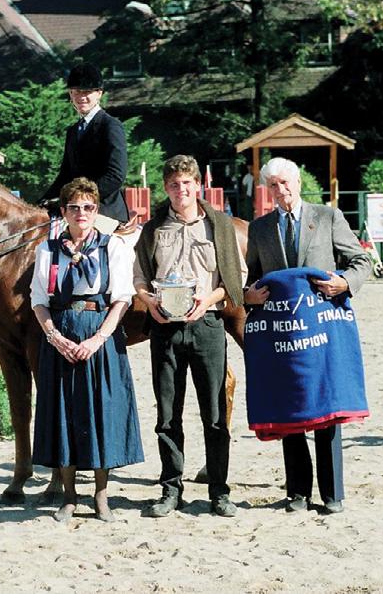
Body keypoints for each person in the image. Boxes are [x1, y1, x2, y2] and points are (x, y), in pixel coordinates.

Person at [244, 157, 371, 514]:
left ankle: (332, 494)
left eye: (285, 182)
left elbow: (361, 261)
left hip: (324, 330)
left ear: (298, 183)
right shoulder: (260, 228)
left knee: (327, 408)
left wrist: (345, 283)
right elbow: (251, 278)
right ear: (267, 190)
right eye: (273, 185)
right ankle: (298, 492)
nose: (280, 190)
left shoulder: (328, 217)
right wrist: (247, 296)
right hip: (282, 335)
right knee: (290, 408)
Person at [133, 155, 245, 518]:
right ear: (166, 188)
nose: (180, 190)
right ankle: (171, 489)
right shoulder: (153, 229)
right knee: (168, 415)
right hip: (165, 328)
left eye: (186, 183)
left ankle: (219, 491)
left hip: (207, 325)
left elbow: (236, 278)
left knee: (215, 414)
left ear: (198, 185)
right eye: (173, 184)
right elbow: (139, 276)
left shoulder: (220, 226)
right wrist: (148, 301)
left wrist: (208, 300)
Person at [30, 177, 144, 523]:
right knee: (64, 414)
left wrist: (97, 340)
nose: (82, 213)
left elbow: (122, 299)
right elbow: (38, 300)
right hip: (61, 335)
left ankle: (101, 496)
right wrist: (54, 337)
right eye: (74, 207)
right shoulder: (47, 250)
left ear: (96, 212)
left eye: (88, 207)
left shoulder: (112, 247)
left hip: (100, 335)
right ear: (64, 212)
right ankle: (69, 497)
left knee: (101, 413)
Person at [39, 63, 129, 233]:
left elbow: (116, 175)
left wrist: (82, 198)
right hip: (77, 210)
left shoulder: (110, 126)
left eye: (87, 92)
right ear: (70, 94)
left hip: (105, 210)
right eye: (76, 92)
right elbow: (65, 175)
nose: (81, 97)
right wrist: (42, 201)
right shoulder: (73, 131)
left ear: (99, 93)